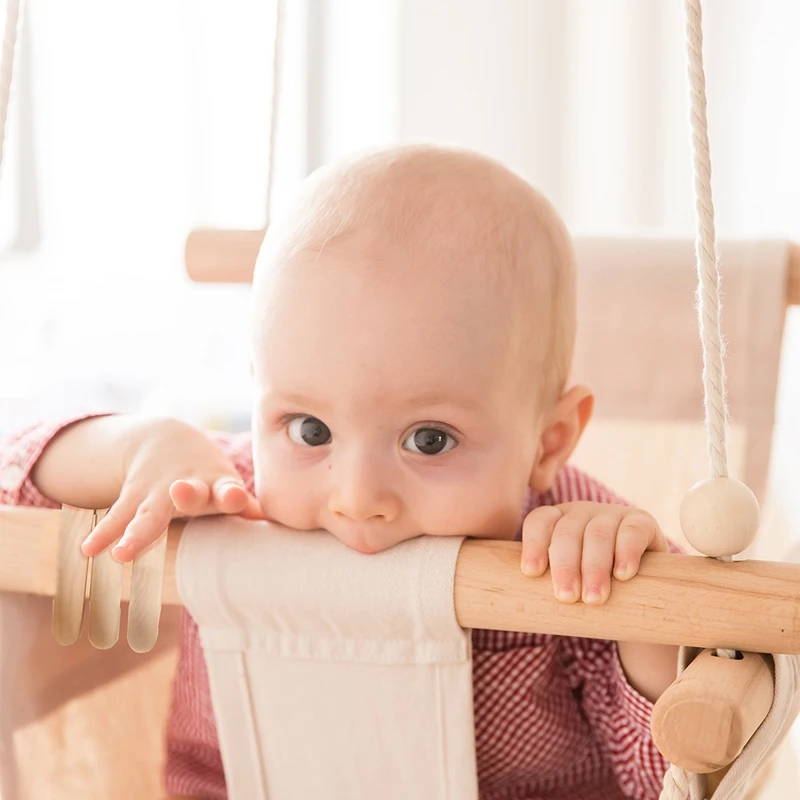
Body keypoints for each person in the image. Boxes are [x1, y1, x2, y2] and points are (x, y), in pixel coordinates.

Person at [0, 145, 678, 799]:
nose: (358, 499)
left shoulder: (566, 542)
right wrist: (138, 447)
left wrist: (643, 612)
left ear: (548, 441)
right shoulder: (229, 495)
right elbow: (15, 486)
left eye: (430, 440)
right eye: (311, 430)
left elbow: (667, 775)